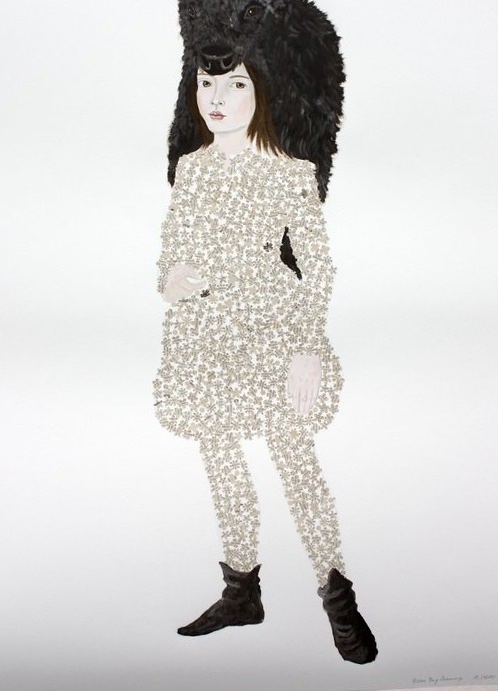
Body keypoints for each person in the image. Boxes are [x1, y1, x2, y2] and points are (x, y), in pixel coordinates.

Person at [153, 61, 378, 664]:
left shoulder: (289, 172)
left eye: (236, 84)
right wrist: (172, 280)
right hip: (204, 331)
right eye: (206, 84)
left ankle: (338, 598)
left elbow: (317, 265)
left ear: (263, 93)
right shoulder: (191, 169)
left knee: (295, 460)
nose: (216, 98)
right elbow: (171, 251)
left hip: (272, 328)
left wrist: (306, 345)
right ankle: (241, 592)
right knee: (221, 460)